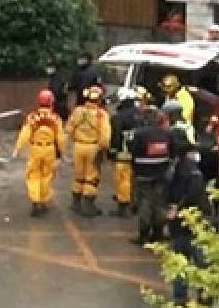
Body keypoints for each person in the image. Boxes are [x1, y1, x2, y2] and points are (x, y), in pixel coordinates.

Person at [165, 130, 211, 307]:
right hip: (193, 222)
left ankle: (182, 298)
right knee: (198, 261)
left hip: (184, 223)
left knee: (182, 261)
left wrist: (175, 209)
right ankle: (203, 295)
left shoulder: (178, 169)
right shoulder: (190, 170)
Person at [14, 89, 65, 217]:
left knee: (33, 175)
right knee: (46, 176)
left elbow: (24, 134)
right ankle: (43, 201)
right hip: (49, 149)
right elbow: (60, 137)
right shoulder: (55, 118)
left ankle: (35, 202)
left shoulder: (32, 117)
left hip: (35, 149)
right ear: (51, 102)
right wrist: (62, 152)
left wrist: (17, 149)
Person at [65, 86, 110, 217]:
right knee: (91, 178)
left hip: (78, 147)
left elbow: (69, 128)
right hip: (93, 148)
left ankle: (76, 203)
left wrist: (74, 141)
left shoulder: (78, 111)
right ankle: (88, 206)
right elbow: (105, 136)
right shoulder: (102, 115)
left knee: (79, 176)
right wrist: (103, 149)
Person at [130, 109, 173, 245]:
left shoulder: (139, 134)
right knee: (160, 203)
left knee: (145, 204)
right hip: (161, 174)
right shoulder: (167, 134)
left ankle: (143, 234)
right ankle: (158, 232)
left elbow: (134, 151)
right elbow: (173, 151)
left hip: (143, 174)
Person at [109, 88, 143, 217]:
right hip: (139, 154)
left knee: (122, 180)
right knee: (135, 180)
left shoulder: (119, 117)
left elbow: (116, 135)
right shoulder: (141, 114)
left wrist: (113, 150)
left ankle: (123, 207)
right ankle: (135, 204)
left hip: (123, 154)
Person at [159, 75, 195, 139]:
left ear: (176, 86)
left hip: (182, 130)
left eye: (169, 87)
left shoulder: (183, 96)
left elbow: (186, 114)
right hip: (173, 130)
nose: (166, 89)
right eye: (164, 86)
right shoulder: (171, 95)